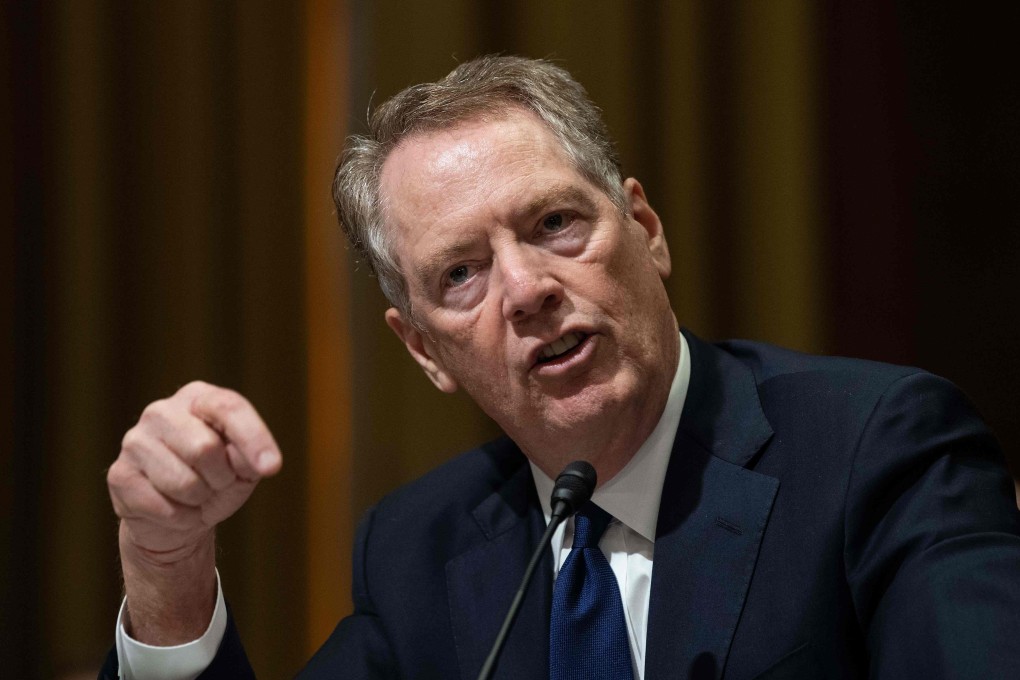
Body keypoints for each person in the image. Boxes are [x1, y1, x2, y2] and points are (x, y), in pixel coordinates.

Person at [100, 55, 1020, 679]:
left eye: (554, 225)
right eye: (461, 273)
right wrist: (166, 567)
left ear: (647, 233)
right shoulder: (423, 546)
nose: (527, 289)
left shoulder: (875, 449)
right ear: (424, 350)